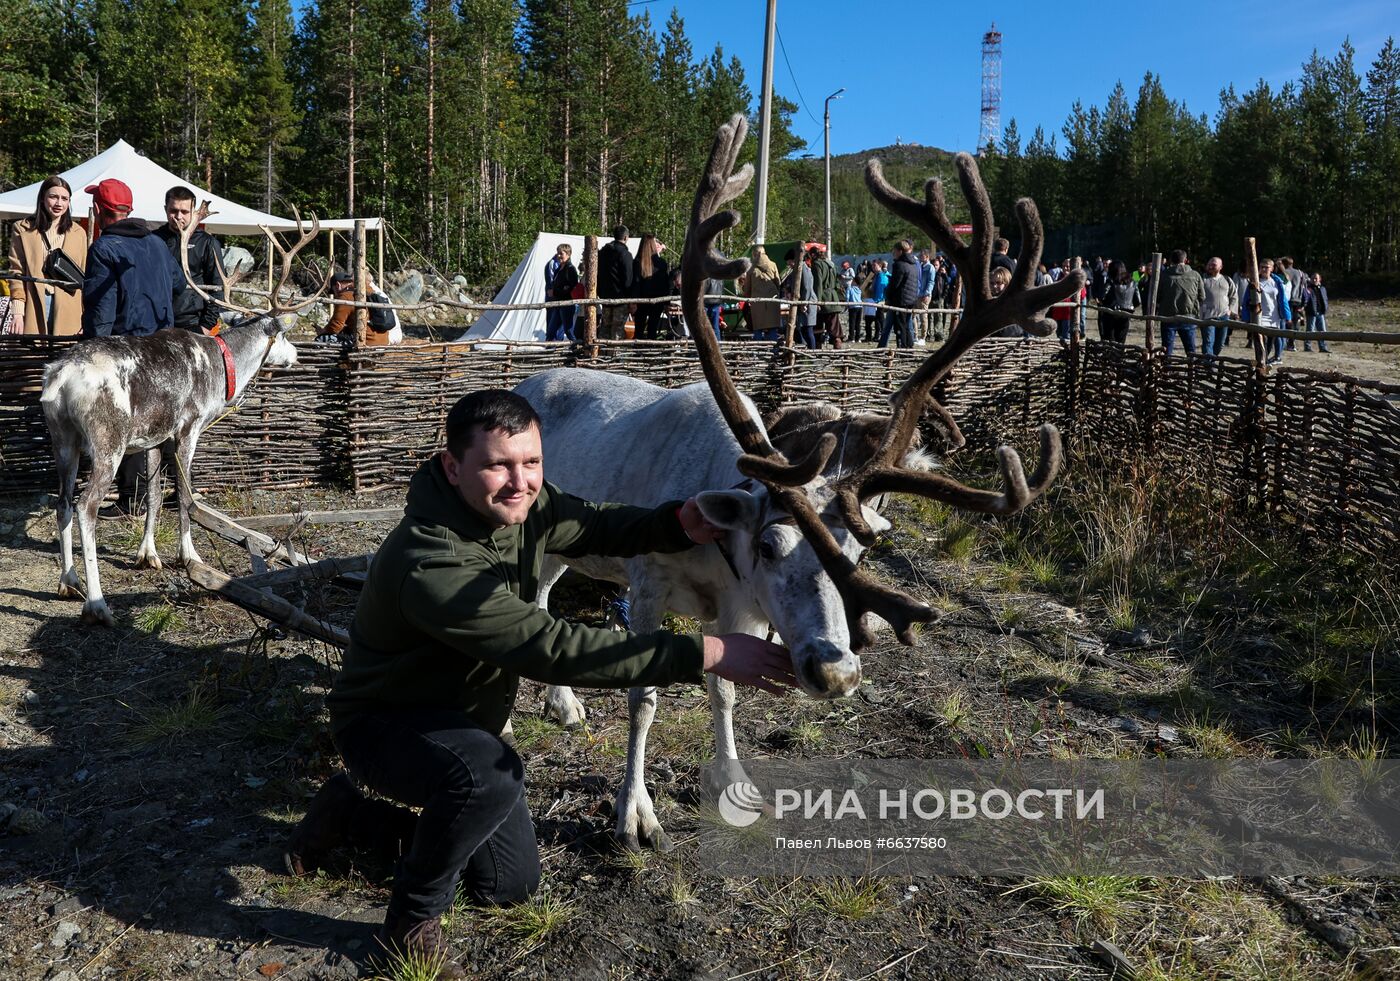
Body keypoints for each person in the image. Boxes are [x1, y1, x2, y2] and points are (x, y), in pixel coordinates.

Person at [283, 390, 795, 974]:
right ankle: (408, 927)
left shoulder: (523, 505)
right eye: (497, 465)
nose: (518, 481)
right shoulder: (432, 562)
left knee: (509, 884)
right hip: (386, 723)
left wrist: (676, 522)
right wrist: (708, 651)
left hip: (460, 719)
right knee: (487, 778)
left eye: (531, 462)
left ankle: (348, 818)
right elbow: (554, 650)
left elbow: (596, 524)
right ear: (452, 467)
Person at [80, 178, 186, 519]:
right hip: (164, 346)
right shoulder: (157, 242)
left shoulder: (104, 248)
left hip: (126, 350)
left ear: (98, 210)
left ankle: (133, 500)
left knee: (129, 422)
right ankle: (161, 496)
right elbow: (179, 285)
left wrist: (93, 351)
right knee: (163, 421)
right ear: (130, 211)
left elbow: (101, 312)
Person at [6, 175, 89, 335]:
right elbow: (16, 273)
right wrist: (17, 313)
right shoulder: (23, 229)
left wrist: (86, 316)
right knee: (34, 355)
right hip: (34, 304)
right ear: (43, 199)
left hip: (69, 308)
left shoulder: (79, 233)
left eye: (64, 198)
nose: (59, 203)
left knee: (64, 356)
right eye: (53, 197)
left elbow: (84, 276)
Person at [153, 186, 225, 334]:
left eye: (185, 212)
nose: (178, 216)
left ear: (194, 211)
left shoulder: (207, 243)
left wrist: (206, 326)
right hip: (156, 321)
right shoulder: (153, 240)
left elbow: (218, 286)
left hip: (193, 323)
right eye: (173, 211)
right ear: (166, 209)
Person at [1156, 249, 1204, 356]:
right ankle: (1192, 371)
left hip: (1168, 316)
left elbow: (1157, 296)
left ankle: (1166, 371)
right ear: (1186, 260)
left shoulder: (1164, 275)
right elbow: (1202, 296)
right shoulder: (1195, 275)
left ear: (1170, 260)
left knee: (1167, 350)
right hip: (1188, 316)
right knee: (1191, 350)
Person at [1243, 258, 1291, 365]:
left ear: (1272, 269)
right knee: (1261, 341)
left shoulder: (1277, 282)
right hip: (1260, 316)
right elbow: (1246, 300)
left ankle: (1264, 362)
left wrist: (1287, 316)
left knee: (1270, 342)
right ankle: (1262, 362)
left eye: (1266, 267)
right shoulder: (1255, 282)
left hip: (1274, 317)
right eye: (1262, 267)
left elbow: (1283, 300)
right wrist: (1246, 317)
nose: (1264, 269)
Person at [879, 240, 919, 349]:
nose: (893, 253)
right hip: (910, 300)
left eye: (895, 251)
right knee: (906, 326)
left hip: (901, 300)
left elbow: (895, 284)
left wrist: (888, 295)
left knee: (901, 327)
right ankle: (909, 349)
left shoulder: (899, 265)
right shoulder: (913, 265)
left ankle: (903, 349)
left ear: (900, 251)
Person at [596, 225, 633, 340]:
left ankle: (602, 354)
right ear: (626, 237)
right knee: (618, 329)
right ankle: (616, 357)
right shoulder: (625, 254)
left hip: (605, 297)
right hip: (620, 299)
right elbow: (628, 279)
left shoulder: (602, 252)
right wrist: (630, 297)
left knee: (605, 327)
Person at [631, 233, 669, 341]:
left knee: (639, 330)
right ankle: (651, 355)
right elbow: (665, 284)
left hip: (641, 300)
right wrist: (666, 303)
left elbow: (636, 283)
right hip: (657, 301)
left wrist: (633, 301)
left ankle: (637, 354)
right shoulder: (661, 263)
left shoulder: (637, 262)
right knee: (652, 330)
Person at [1198, 256, 1237, 358]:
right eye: (1209, 264)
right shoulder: (1202, 279)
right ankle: (1208, 367)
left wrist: (1230, 310)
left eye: (1214, 264)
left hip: (1224, 317)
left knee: (1220, 344)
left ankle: (1211, 362)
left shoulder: (1227, 280)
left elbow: (1234, 296)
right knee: (1208, 341)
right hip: (1207, 317)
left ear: (1221, 267)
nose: (1210, 266)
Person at [744, 246, 783, 341]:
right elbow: (778, 283)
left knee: (758, 329)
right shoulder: (772, 265)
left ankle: (758, 352)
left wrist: (748, 296)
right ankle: (774, 351)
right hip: (772, 301)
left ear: (755, 255)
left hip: (758, 302)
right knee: (772, 329)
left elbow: (747, 288)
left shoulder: (750, 268)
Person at [782, 248, 817, 349]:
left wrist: (803, 303)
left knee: (808, 330)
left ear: (794, 260)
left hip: (807, 304)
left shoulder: (803, 269)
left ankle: (812, 354)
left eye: (790, 262)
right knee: (802, 330)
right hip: (803, 304)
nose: (789, 265)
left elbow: (807, 287)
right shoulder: (796, 270)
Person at [1098, 260, 1139, 344]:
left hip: (1111, 315)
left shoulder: (1111, 281)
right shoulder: (1133, 281)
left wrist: (1106, 304)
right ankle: (1119, 356)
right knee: (1121, 342)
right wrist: (1129, 306)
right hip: (1126, 314)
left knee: (1110, 341)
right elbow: (1138, 301)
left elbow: (1101, 297)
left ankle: (1111, 357)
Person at [544, 243, 579, 342]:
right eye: (558, 253)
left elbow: (572, 288)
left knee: (568, 331)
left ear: (568, 254)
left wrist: (555, 292)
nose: (558, 256)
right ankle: (551, 352)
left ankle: (577, 348)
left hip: (567, 304)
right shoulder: (559, 269)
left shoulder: (570, 269)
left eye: (561, 253)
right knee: (551, 331)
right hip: (558, 303)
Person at [809, 245, 841, 348]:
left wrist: (817, 301)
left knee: (817, 326)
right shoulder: (831, 264)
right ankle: (838, 350)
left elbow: (818, 284)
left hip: (823, 298)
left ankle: (817, 349)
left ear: (813, 255)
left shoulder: (817, 265)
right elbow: (837, 283)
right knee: (834, 328)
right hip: (833, 298)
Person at [1304, 271, 1330, 353]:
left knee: (1322, 331)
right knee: (1310, 330)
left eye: (1316, 278)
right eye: (1313, 278)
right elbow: (1305, 300)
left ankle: (1323, 347)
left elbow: (1325, 299)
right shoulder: (1308, 289)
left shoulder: (1322, 289)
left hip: (1321, 312)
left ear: (1320, 279)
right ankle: (1307, 347)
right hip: (1311, 312)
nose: (1314, 280)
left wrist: (1325, 308)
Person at [865, 259, 888, 342]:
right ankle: (878, 335)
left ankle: (884, 335)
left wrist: (877, 300)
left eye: (875, 266)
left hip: (880, 300)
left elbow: (881, 289)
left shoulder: (881, 276)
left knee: (881, 319)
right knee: (878, 319)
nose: (873, 267)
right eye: (872, 266)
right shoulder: (876, 275)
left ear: (880, 266)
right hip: (876, 299)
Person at [914, 250, 934, 343]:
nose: (920, 257)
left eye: (922, 256)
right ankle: (915, 335)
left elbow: (931, 282)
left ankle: (923, 337)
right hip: (917, 294)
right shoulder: (920, 266)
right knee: (913, 315)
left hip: (924, 295)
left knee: (923, 317)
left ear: (927, 256)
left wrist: (926, 293)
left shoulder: (930, 267)